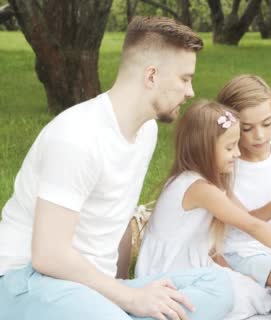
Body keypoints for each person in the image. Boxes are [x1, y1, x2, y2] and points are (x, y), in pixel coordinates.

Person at [0, 16, 234, 320]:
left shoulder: (145, 132)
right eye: (184, 79)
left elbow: (118, 219)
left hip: (92, 287)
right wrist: (129, 298)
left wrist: (125, 292)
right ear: (151, 76)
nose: (190, 92)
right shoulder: (77, 136)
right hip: (25, 281)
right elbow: (48, 255)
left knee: (219, 287)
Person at [134, 101, 271, 316]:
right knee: (245, 295)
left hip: (194, 265)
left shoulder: (209, 183)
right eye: (229, 147)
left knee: (256, 290)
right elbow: (252, 226)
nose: (238, 154)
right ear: (203, 149)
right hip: (170, 274)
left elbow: (245, 220)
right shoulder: (198, 188)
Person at [216, 75, 271, 301]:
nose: (259, 135)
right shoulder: (226, 165)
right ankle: (255, 289)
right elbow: (243, 223)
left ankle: (261, 292)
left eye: (267, 123)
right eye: (247, 128)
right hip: (240, 250)